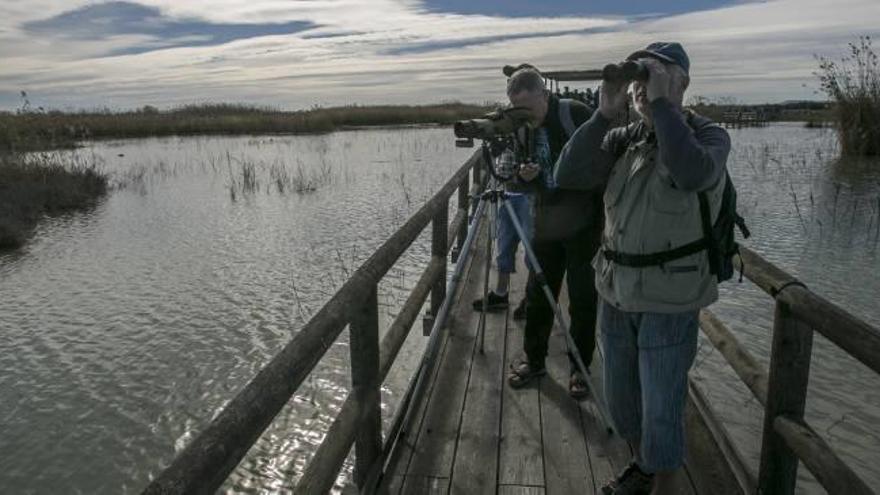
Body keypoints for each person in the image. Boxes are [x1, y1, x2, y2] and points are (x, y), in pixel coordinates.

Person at [554, 42, 731, 494]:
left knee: (661, 408)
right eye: (639, 80)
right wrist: (602, 114)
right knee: (623, 401)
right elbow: (567, 175)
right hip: (615, 292)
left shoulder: (709, 137)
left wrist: (660, 103)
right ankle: (640, 467)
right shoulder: (624, 138)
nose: (640, 88)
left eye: (654, 75)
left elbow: (690, 173)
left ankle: (665, 482)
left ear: (682, 83)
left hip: (669, 301)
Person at [499, 67, 604, 400]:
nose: (524, 116)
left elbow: (606, 161)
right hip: (544, 220)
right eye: (518, 110)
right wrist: (524, 175)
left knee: (583, 297)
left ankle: (581, 369)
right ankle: (534, 359)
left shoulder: (575, 113)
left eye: (529, 108)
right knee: (538, 292)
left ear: (545, 95)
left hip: (584, 224)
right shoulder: (521, 128)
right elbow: (514, 180)